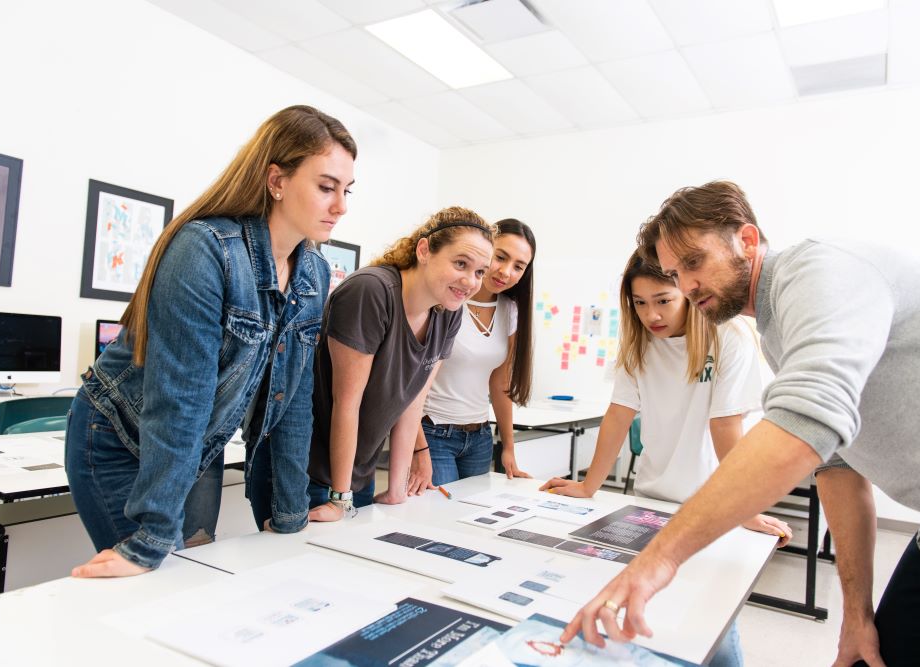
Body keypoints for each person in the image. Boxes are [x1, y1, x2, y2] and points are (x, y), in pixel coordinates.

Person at [564, 181, 920, 667]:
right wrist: (856, 614)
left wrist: (660, 557)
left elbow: (807, 420)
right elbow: (837, 467)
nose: (685, 285)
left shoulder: (820, 271)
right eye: (673, 272)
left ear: (746, 241)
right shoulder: (776, 329)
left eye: (694, 262)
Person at [65, 105, 356, 577]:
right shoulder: (206, 248)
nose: (340, 206)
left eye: (346, 191)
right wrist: (150, 539)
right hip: (120, 436)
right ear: (277, 180)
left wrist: (290, 515)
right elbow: (181, 399)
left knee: (194, 575)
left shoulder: (314, 273)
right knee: (157, 575)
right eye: (326, 187)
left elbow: (293, 404)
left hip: (195, 446)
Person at [542, 250, 790, 667]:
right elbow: (619, 414)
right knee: (650, 613)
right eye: (640, 303)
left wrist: (745, 508)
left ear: (687, 294)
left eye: (662, 300)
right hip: (652, 501)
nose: (651, 314)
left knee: (710, 625)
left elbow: (726, 425)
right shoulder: (639, 346)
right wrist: (589, 486)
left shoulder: (727, 336)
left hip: (714, 506)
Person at [306, 207, 494, 521]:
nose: (470, 281)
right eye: (461, 263)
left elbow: (411, 403)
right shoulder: (372, 291)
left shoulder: (449, 311)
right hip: (309, 471)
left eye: (479, 272)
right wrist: (340, 499)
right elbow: (346, 404)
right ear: (424, 250)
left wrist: (397, 490)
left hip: (356, 472)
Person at [409, 218, 537, 491]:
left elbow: (501, 384)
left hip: (480, 436)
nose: (505, 272)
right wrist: (416, 445)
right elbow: (412, 379)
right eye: (500, 257)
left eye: (518, 266)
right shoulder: (448, 298)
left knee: (469, 518)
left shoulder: (510, 310)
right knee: (439, 518)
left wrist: (508, 447)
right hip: (434, 431)